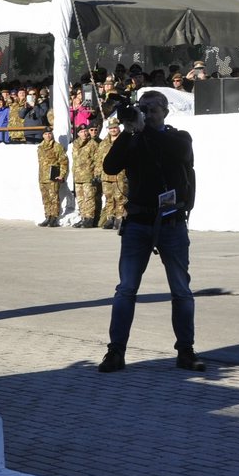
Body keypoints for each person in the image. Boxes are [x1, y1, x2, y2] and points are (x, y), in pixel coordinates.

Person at [97, 89, 202, 374]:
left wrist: (145, 129)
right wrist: (129, 132)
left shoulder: (179, 137)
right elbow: (110, 165)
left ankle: (186, 351)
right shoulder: (134, 139)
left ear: (165, 112)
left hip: (171, 224)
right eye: (143, 108)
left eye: (153, 109)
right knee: (125, 289)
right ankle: (115, 352)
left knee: (181, 290)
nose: (147, 113)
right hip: (138, 224)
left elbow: (177, 153)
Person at [35, 124, 67, 227]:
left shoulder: (57, 147)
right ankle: (47, 216)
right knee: (45, 198)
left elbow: (63, 162)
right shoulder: (40, 147)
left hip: (53, 177)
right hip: (42, 177)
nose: (48, 135)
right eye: (46, 134)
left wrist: (62, 175)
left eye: (49, 133)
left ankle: (54, 217)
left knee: (54, 198)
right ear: (43, 135)